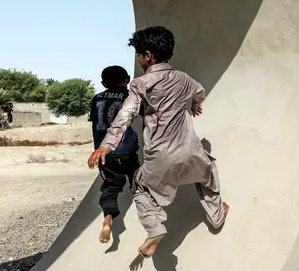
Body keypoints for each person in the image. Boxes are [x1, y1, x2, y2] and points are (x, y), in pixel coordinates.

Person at [88, 26, 228, 258]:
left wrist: (107, 145)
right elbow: (199, 93)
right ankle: (217, 216)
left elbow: (126, 114)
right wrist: (193, 105)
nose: (138, 59)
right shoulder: (185, 79)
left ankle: (154, 229)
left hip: (160, 157)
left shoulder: (140, 84)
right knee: (209, 173)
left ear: (148, 56)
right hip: (191, 153)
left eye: (139, 54)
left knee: (140, 187)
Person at [90, 66, 141, 244]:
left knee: (110, 188)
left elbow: (96, 123)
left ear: (103, 83)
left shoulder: (96, 99)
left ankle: (108, 218)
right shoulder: (130, 97)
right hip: (127, 150)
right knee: (137, 177)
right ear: (127, 80)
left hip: (104, 153)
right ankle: (146, 209)